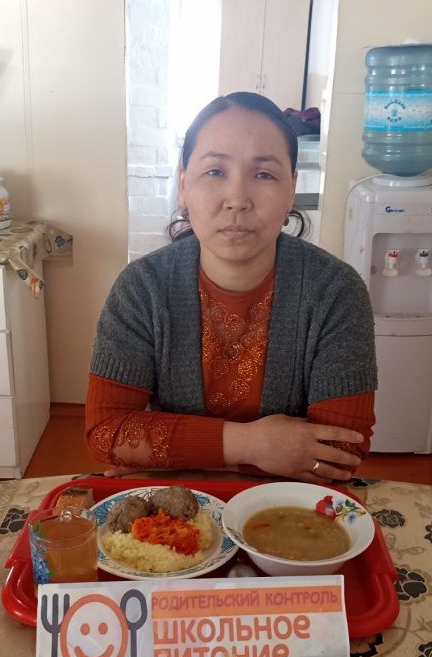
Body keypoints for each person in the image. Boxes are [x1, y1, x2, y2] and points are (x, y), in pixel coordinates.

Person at [86, 92, 376, 483]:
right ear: (183, 185)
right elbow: (107, 433)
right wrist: (255, 446)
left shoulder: (336, 292)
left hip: (290, 503)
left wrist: (171, 452)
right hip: (181, 506)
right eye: (215, 172)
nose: (237, 200)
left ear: (291, 188)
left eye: (264, 174)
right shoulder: (141, 289)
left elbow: (342, 451)